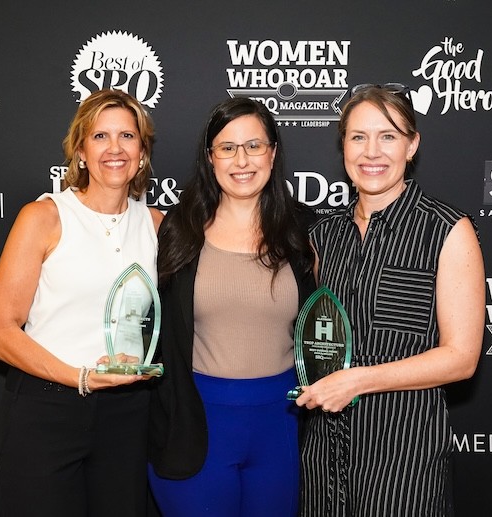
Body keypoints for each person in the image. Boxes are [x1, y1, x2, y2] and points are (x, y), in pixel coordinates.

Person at [294, 83, 486, 516]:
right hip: (324, 459)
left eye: (388, 136)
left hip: (404, 461)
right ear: (343, 146)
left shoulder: (447, 230)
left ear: (411, 145)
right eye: (358, 137)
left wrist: (359, 380)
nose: (371, 152)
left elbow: (461, 358)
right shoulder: (323, 236)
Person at [0, 88, 163, 517]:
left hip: (127, 414)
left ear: (142, 152)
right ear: (80, 151)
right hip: (46, 410)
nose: (114, 149)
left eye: (127, 136)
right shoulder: (44, 217)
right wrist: (80, 377)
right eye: (100, 137)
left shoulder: (157, 225)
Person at [147, 97, 316, 517]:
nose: (242, 160)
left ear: (272, 153)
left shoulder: (305, 230)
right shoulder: (177, 228)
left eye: (254, 146)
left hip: (281, 426)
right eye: (227, 147)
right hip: (195, 427)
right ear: (210, 157)